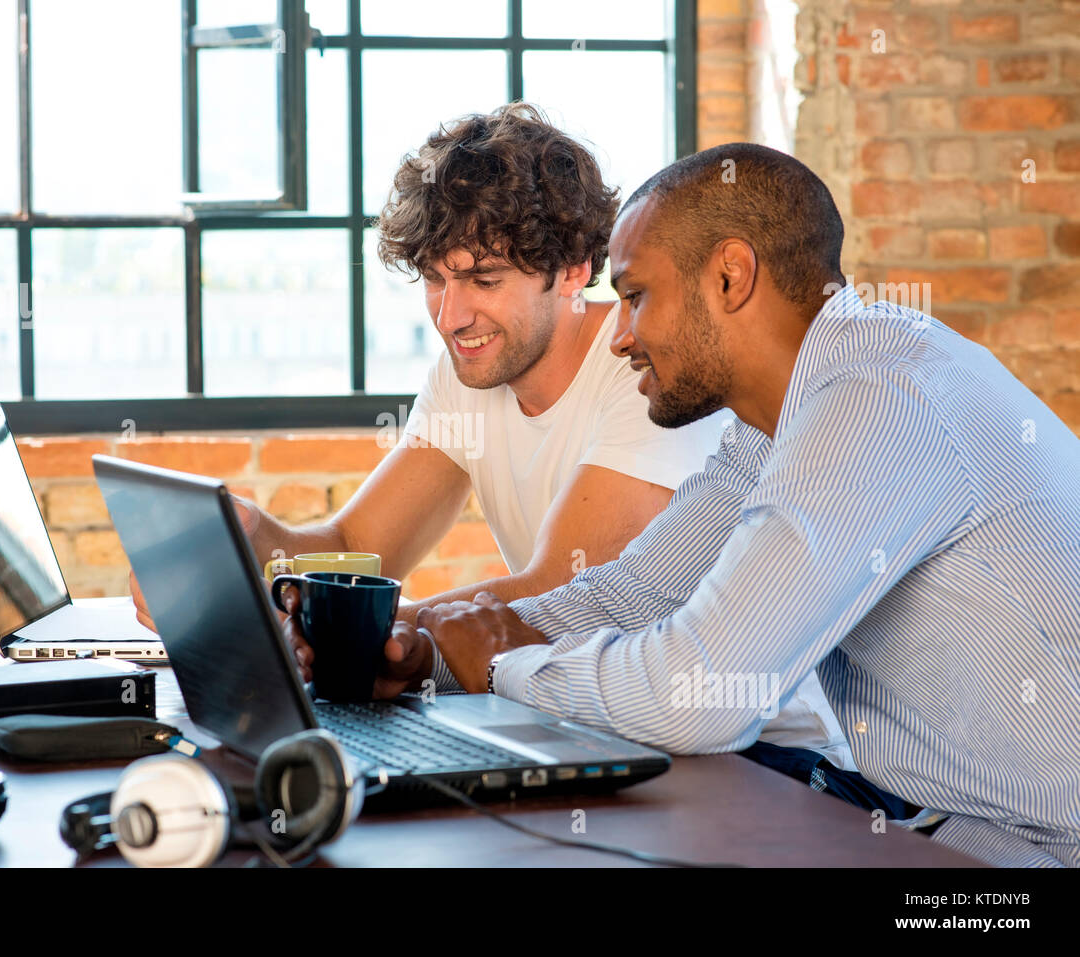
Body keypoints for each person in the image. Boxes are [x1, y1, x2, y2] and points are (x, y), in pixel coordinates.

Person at [394, 142, 1080, 867]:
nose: (621, 336)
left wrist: (504, 663)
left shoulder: (879, 396)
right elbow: (634, 594)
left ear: (729, 276)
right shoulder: (780, 419)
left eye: (636, 297)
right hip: (917, 819)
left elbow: (700, 694)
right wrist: (427, 653)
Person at [134, 106, 850, 765]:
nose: (451, 316)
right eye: (435, 280)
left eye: (481, 279)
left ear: (573, 270)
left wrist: (353, 634)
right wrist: (255, 544)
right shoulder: (470, 371)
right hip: (572, 720)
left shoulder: (651, 372)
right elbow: (359, 540)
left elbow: (556, 594)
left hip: (751, 754)